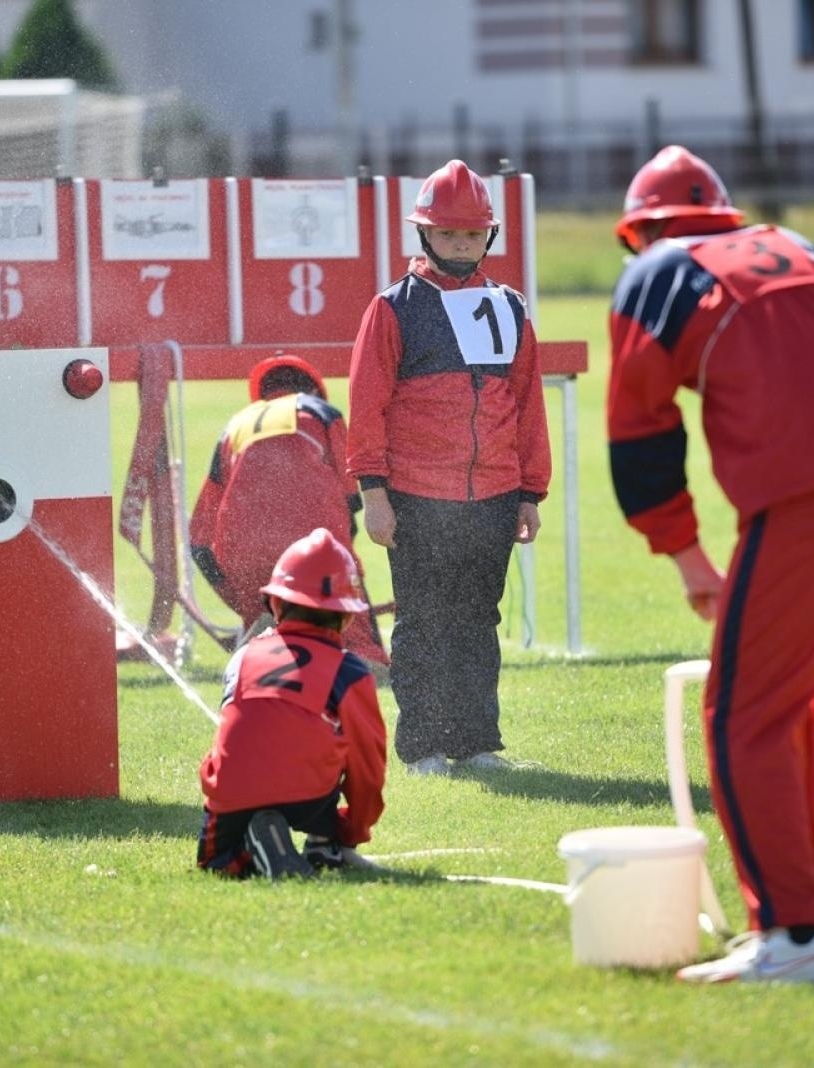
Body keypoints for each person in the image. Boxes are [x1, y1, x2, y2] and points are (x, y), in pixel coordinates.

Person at [607, 146, 814, 984]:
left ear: (639, 230)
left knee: (744, 714)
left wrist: (683, 555)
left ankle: (792, 938)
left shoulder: (656, 271)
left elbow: (640, 433)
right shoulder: (798, 246)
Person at [346, 159, 551, 776]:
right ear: (423, 236)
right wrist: (374, 494)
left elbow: (528, 403)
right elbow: (366, 404)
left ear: (487, 237)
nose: (459, 245)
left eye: (470, 235)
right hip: (415, 497)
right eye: (447, 234)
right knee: (423, 623)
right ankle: (423, 747)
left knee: (477, 622)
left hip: (492, 497)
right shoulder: (392, 309)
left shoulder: (509, 307)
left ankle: (476, 742)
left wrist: (529, 492)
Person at [196, 528, 388, 880]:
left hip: (232, 793)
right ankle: (324, 843)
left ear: (276, 604)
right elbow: (367, 765)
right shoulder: (349, 671)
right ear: (346, 617)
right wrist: (352, 830)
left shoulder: (243, 657)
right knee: (324, 741)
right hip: (310, 798)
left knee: (219, 866)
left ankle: (256, 840)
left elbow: (232, 735)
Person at [189, 354, 387, 664]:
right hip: (318, 549)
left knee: (264, 660)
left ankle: (263, 639)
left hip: (243, 552)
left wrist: (241, 603)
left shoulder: (234, 427)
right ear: (313, 388)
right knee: (365, 660)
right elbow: (351, 497)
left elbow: (199, 540)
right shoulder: (322, 412)